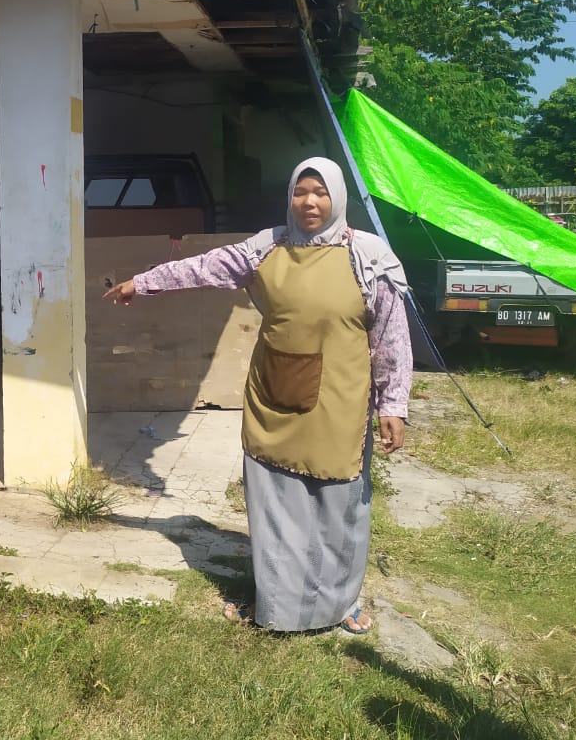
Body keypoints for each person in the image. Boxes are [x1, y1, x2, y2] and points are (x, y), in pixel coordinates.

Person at [103, 157, 412, 634]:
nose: (310, 202)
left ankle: (339, 604)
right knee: (275, 505)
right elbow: (203, 268)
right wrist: (141, 284)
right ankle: (276, 606)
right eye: (300, 192)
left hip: (342, 401)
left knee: (341, 506)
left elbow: (391, 338)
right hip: (274, 394)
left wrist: (394, 405)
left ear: (338, 198)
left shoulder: (368, 257)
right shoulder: (266, 247)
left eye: (321, 192)